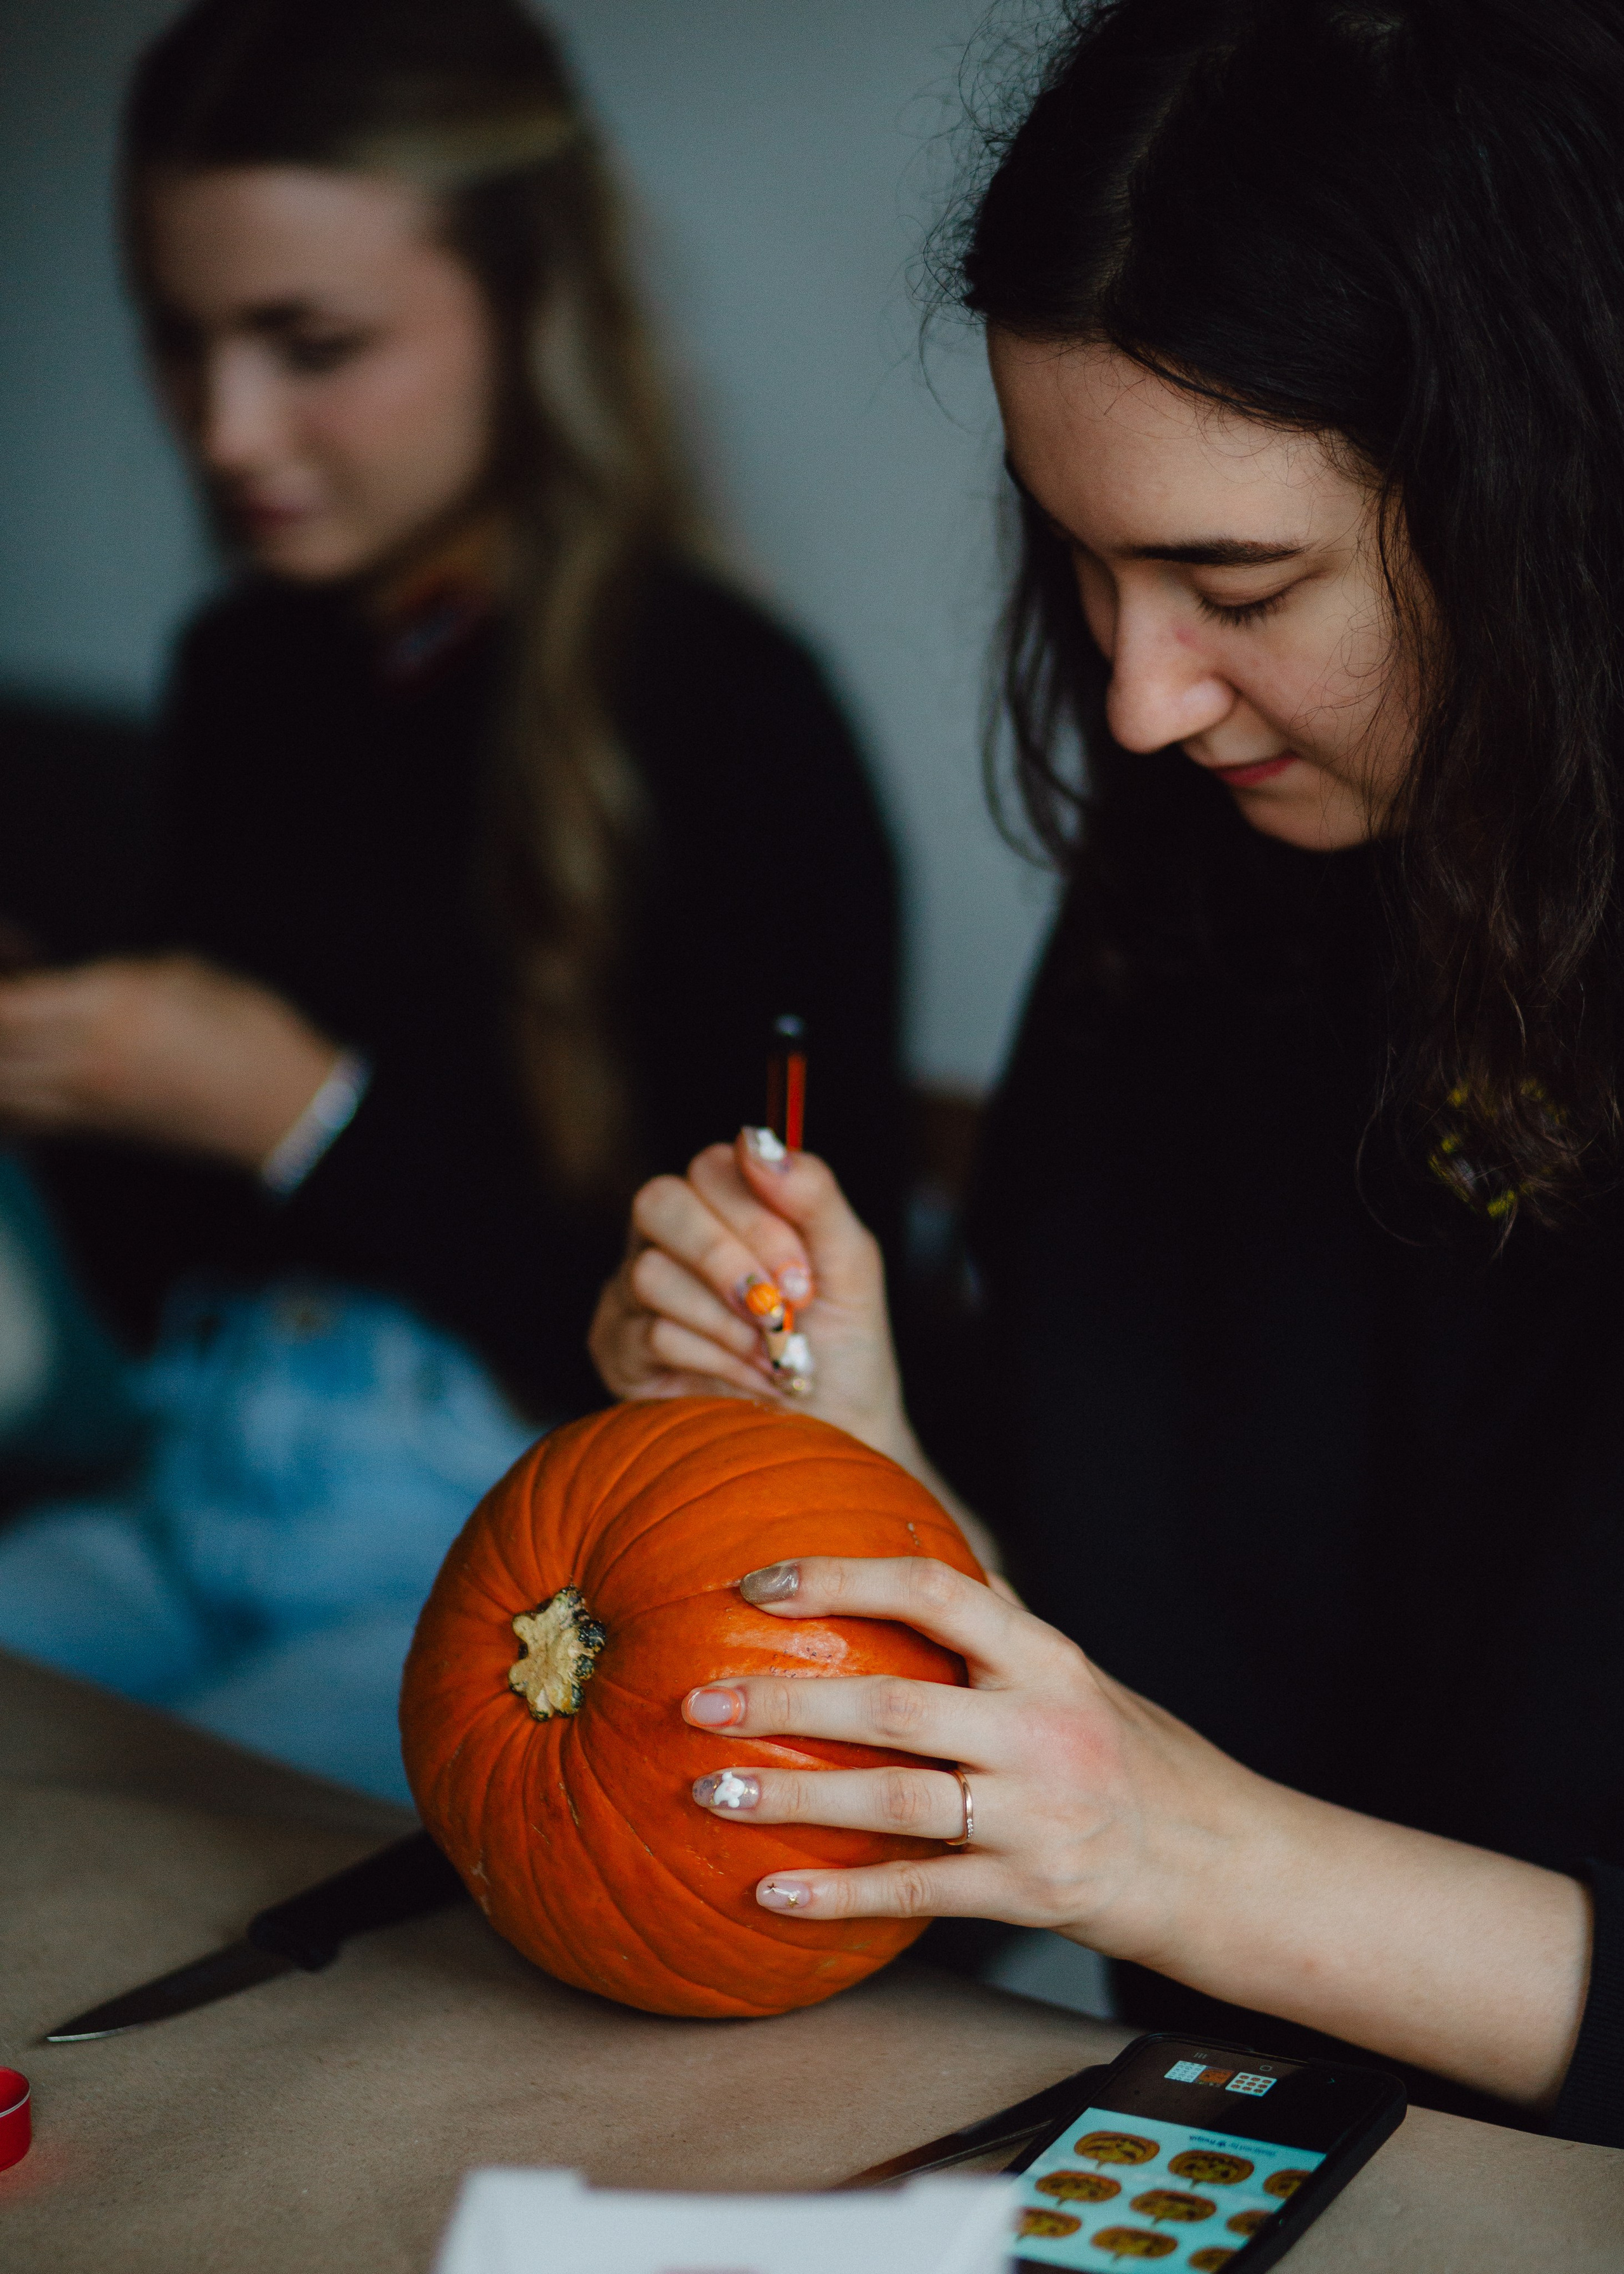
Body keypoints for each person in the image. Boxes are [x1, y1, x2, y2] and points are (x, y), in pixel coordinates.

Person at [590, 0, 1624, 2148]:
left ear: (1555, 503)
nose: (1141, 698)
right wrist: (855, 1464)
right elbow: (1121, 1696)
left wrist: (1187, 1855)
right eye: (1084, 558)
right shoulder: (1213, 889)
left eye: (1238, 583)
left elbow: (1154, 1818)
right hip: (1212, 2135)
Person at [0, 0, 901, 1801]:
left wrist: (300, 1116)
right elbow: (158, 1268)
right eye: (180, 343)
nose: (228, 427)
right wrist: (72, 1069)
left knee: (175, 1866)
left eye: (310, 344)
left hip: (512, 1544)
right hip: (195, 1467)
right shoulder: (251, 668)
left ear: (525, 307)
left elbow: (773, 1376)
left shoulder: (731, 719)